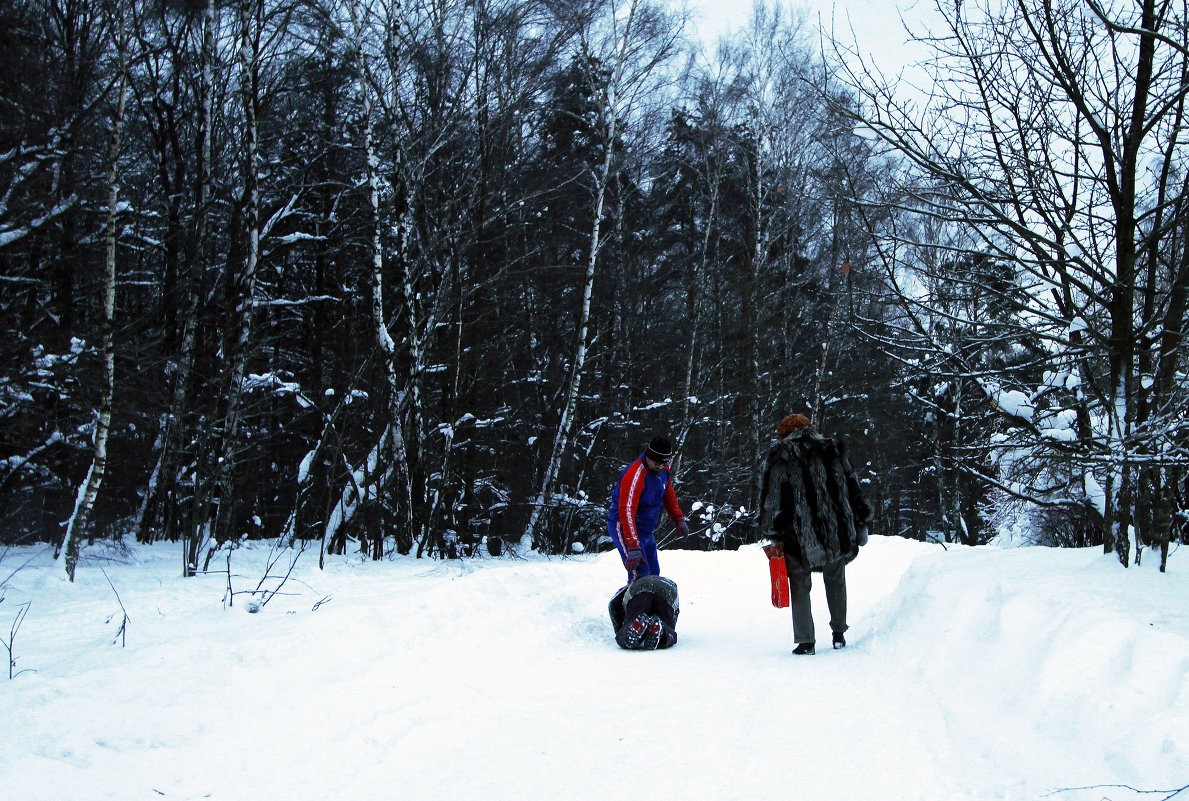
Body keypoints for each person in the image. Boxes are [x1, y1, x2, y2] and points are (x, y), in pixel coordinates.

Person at [758, 413, 872, 655]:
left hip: (797, 533)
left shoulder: (781, 454)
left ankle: (806, 641)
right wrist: (860, 521)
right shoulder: (832, 449)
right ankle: (839, 632)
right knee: (836, 579)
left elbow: (771, 497)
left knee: (800, 585)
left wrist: (771, 529)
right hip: (836, 529)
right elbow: (853, 487)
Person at [607, 436, 690, 582]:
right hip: (624, 526)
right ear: (648, 456)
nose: (660, 467)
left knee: (653, 573)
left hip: (645, 530)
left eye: (664, 464)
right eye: (657, 463)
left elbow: (668, 492)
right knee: (640, 575)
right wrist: (632, 545)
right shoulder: (634, 475)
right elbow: (626, 511)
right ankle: (632, 604)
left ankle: (650, 604)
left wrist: (678, 518)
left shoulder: (663, 469)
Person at [608, 575, 679, 650]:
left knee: (631, 621)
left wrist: (620, 628)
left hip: (640, 590)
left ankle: (634, 626)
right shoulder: (670, 585)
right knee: (668, 628)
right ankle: (662, 631)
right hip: (667, 592)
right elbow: (675, 614)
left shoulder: (630, 587)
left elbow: (613, 604)